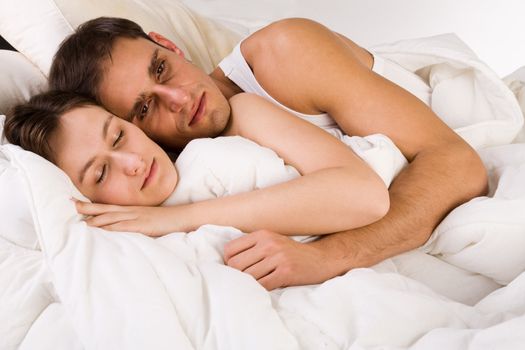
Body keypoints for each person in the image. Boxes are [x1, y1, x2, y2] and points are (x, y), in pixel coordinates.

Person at [47, 17, 488, 290]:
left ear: (170, 45)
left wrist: (327, 258)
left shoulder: (283, 53)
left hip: (465, 130)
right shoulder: (186, 166)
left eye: (161, 68)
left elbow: (458, 163)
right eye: (144, 108)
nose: (178, 99)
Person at [4, 90, 397, 240]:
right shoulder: (117, 244)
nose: (134, 164)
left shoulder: (214, 151)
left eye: (119, 136)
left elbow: (366, 198)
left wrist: (181, 217)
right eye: (101, 173)